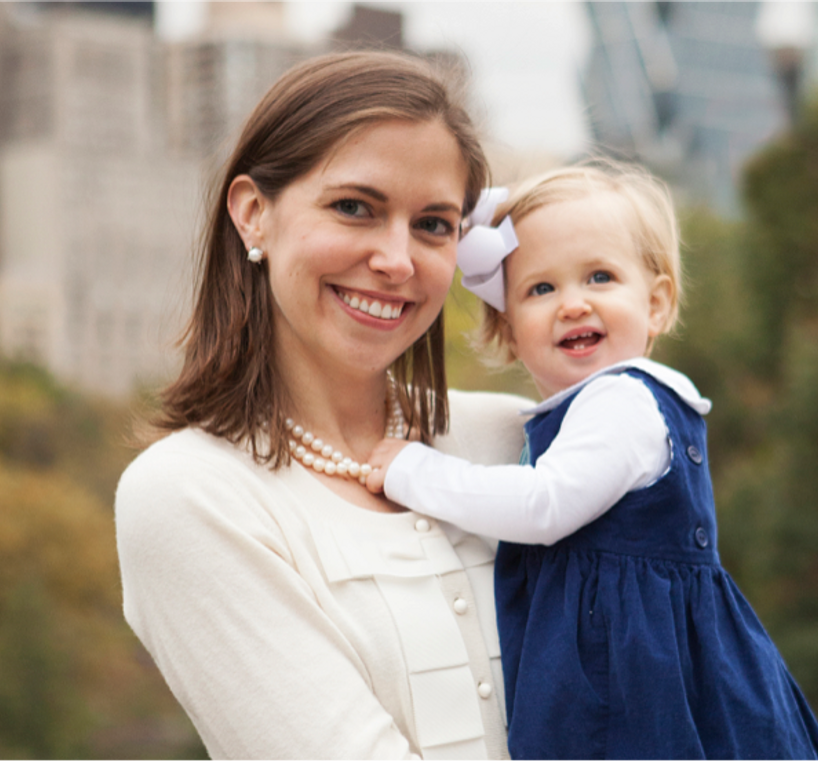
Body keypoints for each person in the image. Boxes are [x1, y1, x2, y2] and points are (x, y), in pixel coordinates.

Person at [114, 51, 529, 761]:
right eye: (354, 208)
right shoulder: (189, 495)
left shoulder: (516, 438)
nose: (397, 259)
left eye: (433, 224)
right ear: (252, 214)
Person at [367, 164, 818, 761]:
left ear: (657, 304)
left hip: (641, 687)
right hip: (625, 675)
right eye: (541, 289)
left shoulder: (624, 401)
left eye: (600, 276)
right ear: (509, 329)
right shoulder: (583, 411)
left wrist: (414, 471)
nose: (573, 303)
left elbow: (542, 505)